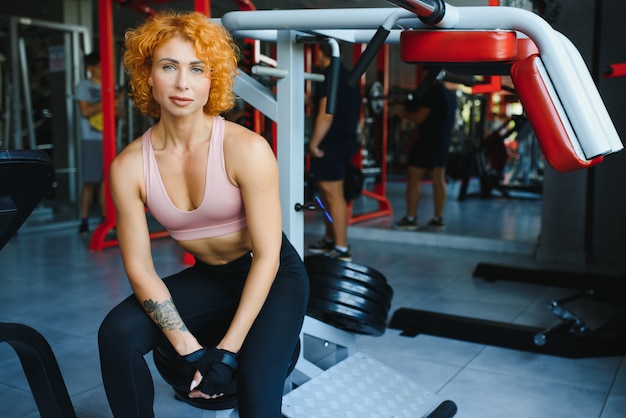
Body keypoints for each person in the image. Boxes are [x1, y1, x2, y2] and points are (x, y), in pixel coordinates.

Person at [97, 11, 309, 418]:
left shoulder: (245, 149)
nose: (182, 83)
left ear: (212, 78)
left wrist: (228, 352)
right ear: (147, 74)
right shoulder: (129, 167)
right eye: (169, 67)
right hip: (211, 275)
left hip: (273, 275)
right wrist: (190, 350)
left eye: (197, 69)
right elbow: (140, 268)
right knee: (117, 333)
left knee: (255, 390)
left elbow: (267, 256)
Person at [307, 42, 361, 261]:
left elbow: (326, 114)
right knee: (327, 194)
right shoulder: (348, 75)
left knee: (333, 194)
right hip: (344, 140)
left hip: (331, 142)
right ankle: (330, 238)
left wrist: (314, 144)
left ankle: (341, 247)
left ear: (321, 52)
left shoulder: (327, 76)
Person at [392, 68, 457, 232]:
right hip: (443, 141)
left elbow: (419, 117)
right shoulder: (450, 95)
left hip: (428, 140)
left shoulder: (432, 92)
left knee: (414, 175)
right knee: (438, 177)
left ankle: (410, 218)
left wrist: (401, 112)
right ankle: (437, 219)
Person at [75, 52, 124, 234]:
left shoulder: (110, 87)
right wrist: (108, 102)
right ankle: (84, 219)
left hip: (110, 138)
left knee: (107, 180)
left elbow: (119, 114)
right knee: (90, 180)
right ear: (91, 67)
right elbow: (85, 111)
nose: (104, 69)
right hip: (92, 138)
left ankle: (106, 217)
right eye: (100, 65)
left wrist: (116, 104)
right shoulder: (84, 86)